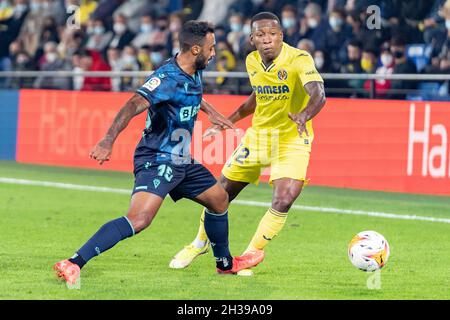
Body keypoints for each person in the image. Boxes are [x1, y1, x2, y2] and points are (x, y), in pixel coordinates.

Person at [53, 21, 264, 289]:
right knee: (139, 219)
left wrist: (212, 113)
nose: (214, 54)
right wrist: (108, 140)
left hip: (180, 158)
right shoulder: (166, 78)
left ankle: (225, 264)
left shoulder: (193, 69)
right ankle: (73, 262)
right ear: (196, 49)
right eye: (211, 49)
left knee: (219, 199)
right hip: (157, 158)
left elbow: (192, 94)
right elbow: (133, 104)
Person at [169, 12, 326, 271]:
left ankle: (247, 256)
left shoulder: (299, 59)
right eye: (261, 35)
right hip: (259, 138)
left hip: (292, 139)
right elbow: (256, 99)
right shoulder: (252, 61)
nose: (267, 40)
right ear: (252, 39)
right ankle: (198, 243)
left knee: (285, 198)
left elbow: (318, 93)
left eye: (273, 34)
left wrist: (304, 115)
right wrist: (225, 121)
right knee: (219, 194)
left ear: (281, 37)